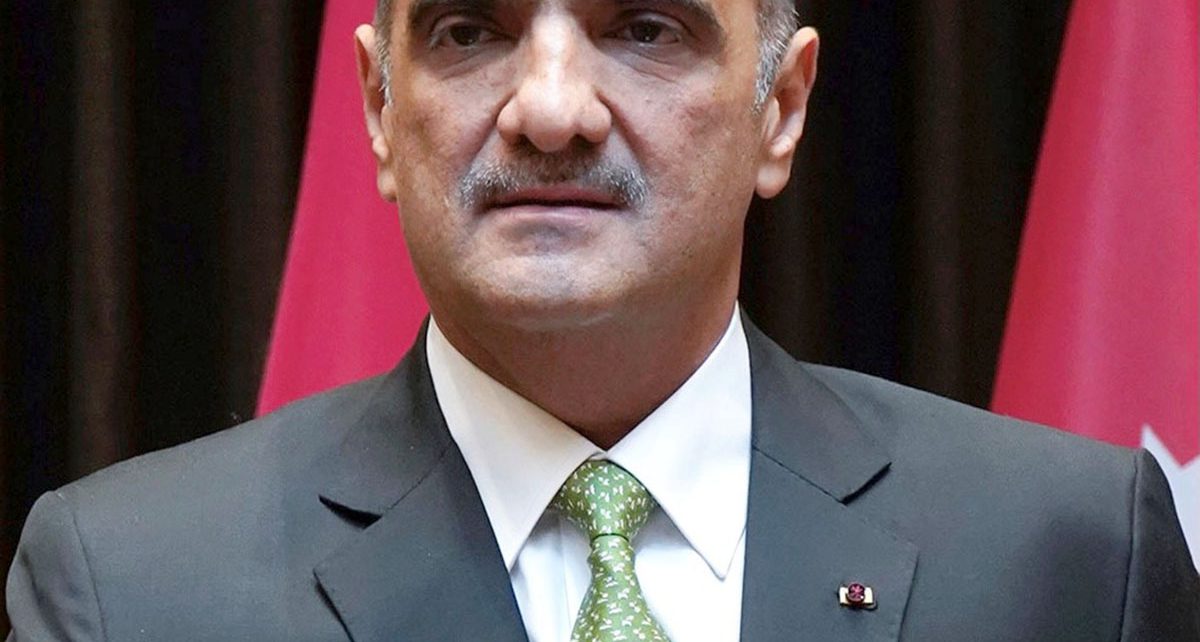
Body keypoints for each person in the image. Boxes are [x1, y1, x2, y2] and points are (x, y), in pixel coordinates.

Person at [6, 0, 1198, 639]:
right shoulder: (132, 592)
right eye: (471, 32)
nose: (551, 109)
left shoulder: (1072, 556)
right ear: (378, 107)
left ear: (781, 108)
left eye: (644, 29)